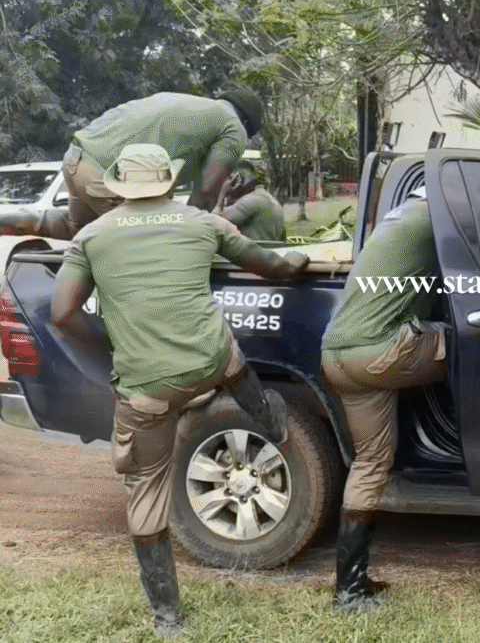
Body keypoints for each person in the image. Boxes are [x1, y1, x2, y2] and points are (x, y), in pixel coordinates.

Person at [51, 143, 309, 637]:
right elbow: (271, 265)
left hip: (147, 389)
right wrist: (297, 262)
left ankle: (168, 619)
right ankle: (269, 420)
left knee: (147, 491)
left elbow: (62, 315)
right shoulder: (202, 223)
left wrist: (112, 358)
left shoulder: (92, 236)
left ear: (121, 186)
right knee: (227, 351)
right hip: (209, 363)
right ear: (169, 181)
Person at [320, 186, 447, 614]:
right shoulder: (436, 218)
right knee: (479, 334)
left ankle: (350, 591)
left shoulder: (400, 219)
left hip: (337, 357)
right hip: (377, 355)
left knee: (371, 464)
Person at [40, 88, 263, 239]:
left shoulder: (190, 104)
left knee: (79, 232)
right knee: (152, 245)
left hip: (76, 158)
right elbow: (205, 193)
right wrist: (186, 235)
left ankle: (19, 221)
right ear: (246, 123)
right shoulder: (234, 127)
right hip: (106, 178)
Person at [215, 161, 285, 242]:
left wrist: (222, 195)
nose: (228, 183)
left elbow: (212, 222)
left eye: (231, 179)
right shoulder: (265, 197)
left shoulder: (252, 200)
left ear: (239, 179)